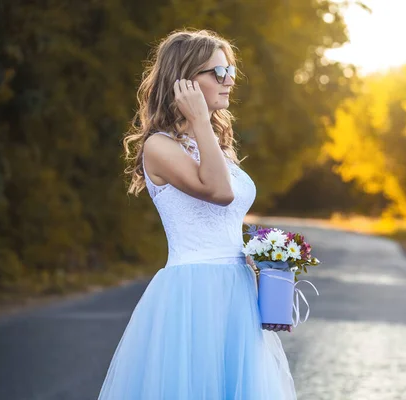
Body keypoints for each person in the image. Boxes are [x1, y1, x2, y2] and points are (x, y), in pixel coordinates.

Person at [97, 29, 296, 399]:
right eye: (218, 73)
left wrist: (268, 258)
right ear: (185, 82)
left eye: (231, 72)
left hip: (237, 289)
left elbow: (225, 214)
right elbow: (220, 193)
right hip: (193, 292)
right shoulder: (159, 146)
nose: (229, 81)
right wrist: (201, 121)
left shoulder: (216, 145)